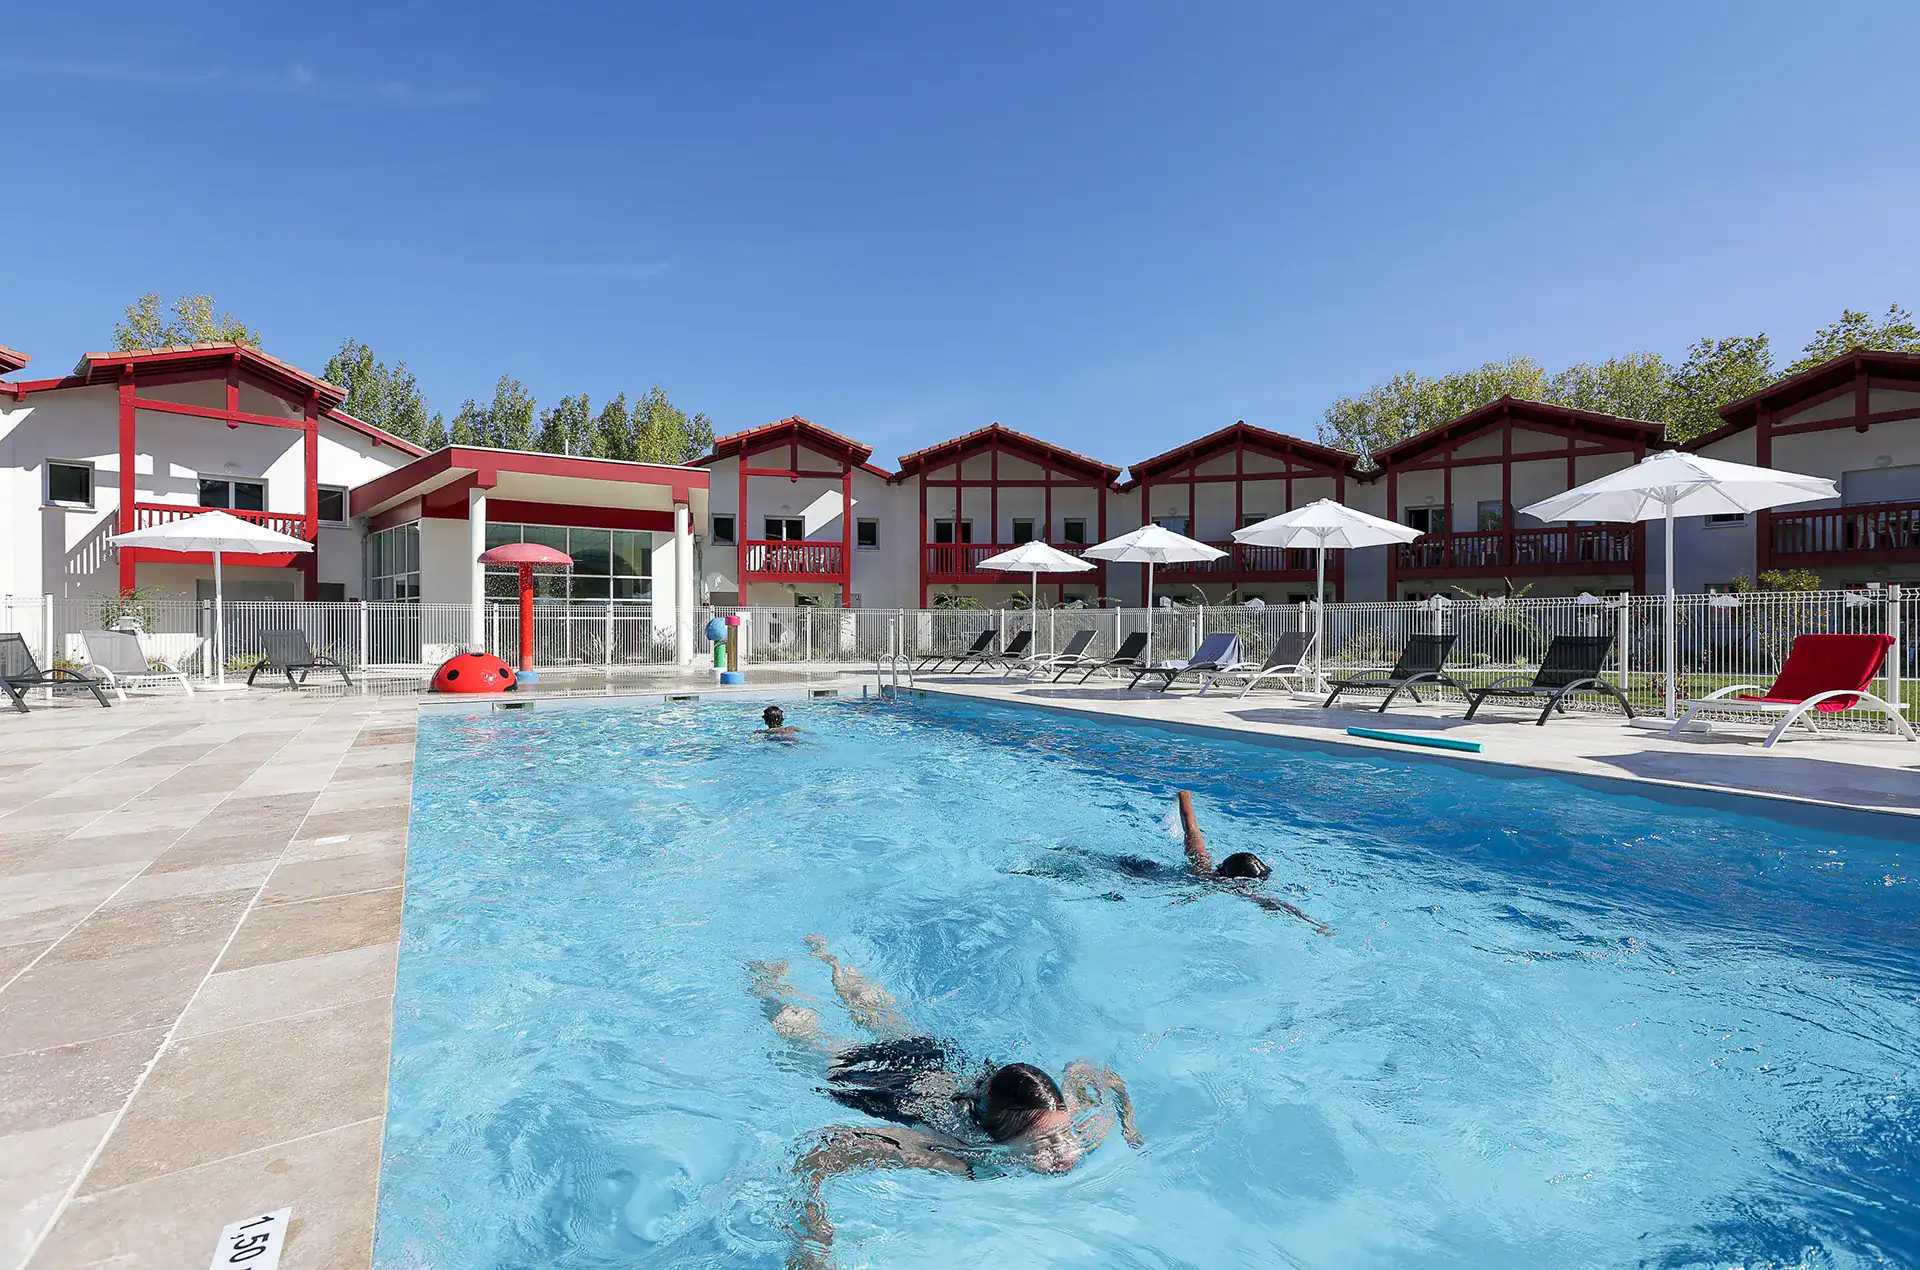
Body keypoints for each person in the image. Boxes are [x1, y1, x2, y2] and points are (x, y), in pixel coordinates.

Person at [747, 935, 1140, 1268]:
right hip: (893, 1088)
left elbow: (1088, 1071)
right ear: (994, 1140)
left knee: (880, 1015)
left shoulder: (1058, 1111)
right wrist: (811, 1235)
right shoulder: (954, 1154)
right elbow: (824, 1151)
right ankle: (766, 982)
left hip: (934, 1061)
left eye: (1061, 1135)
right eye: (1041, 1146)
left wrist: (1128, 1122)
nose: (1064, 1153)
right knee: (807, 1040)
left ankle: (831, 959)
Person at [1014, 791, 1332, 934]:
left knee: (1080, 859)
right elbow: (1272, 903)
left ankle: (1036, 853)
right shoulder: (1207, 877)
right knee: (1073, 874)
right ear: (1235, 881)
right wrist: (1313, 924)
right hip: (1137, 879)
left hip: (1141, 866)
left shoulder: (1205, 865)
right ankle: (1026, 867)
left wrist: (1186, 799)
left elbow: (1192, 830)